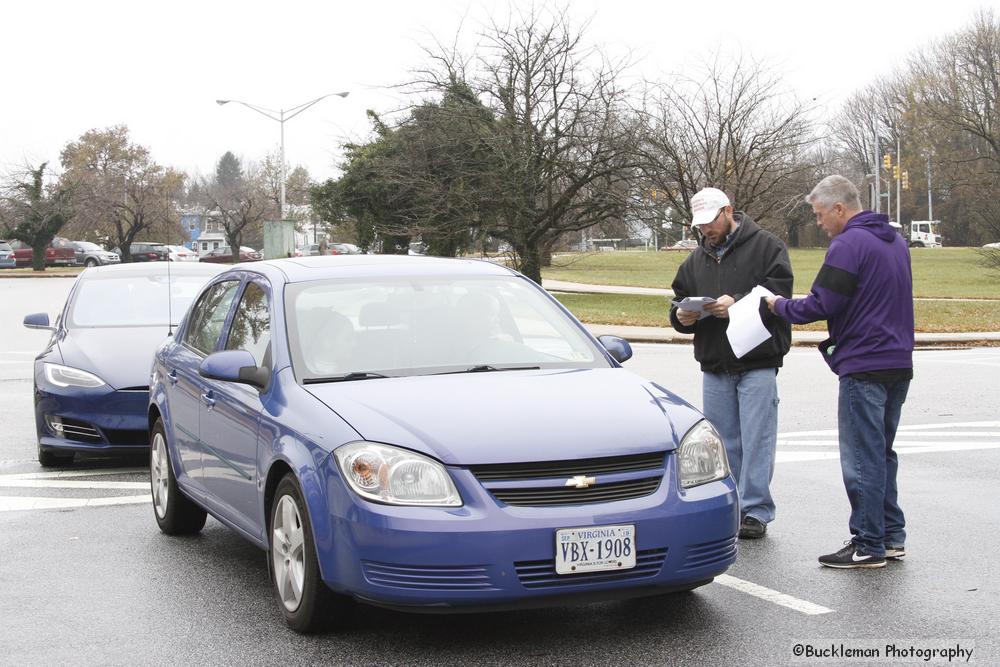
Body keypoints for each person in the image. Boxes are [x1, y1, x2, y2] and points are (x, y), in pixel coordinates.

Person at [765, 175, 914, 570]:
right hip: (898, 361)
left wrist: (777, 306)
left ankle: (867, 544)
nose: (818, 223)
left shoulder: (848, 244)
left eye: (819, 214)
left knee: (862, 457)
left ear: (839, 208)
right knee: (882, 452)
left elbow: (822, 303)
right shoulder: (895, 241)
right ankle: (891, 534)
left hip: (864, 363)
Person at [670, 187, 793, 539]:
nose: (706, 230)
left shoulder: (768, 247)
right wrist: (682, 317)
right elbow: (678, 298)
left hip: (757, 360)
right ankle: (730, 505)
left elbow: (779, 293)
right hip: (715, 362)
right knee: (723, 442)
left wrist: (736, 302)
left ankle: (755, 510)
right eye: (700, 225)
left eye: (711, 221)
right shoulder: (695, 259)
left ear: (729, 211)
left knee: (758, 439)